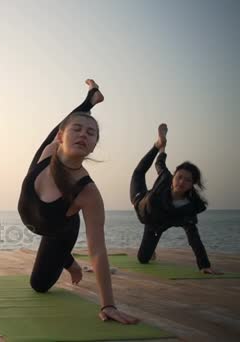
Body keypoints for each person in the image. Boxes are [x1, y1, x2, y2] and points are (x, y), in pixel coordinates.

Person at [18, 79, 138, 324]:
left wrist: (108, 305)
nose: (84, 134)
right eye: (77, 130)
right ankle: (92, 99)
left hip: (58, 231)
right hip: (37, 211)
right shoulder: (49, 150)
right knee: (59, 131)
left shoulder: (88, 193)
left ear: (93, 146)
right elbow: (62, 126)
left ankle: (68, 260)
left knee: (39, 286)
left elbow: (98, 251)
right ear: (62, 137)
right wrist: (88, 103)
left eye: (91, 133)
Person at [130, 123, 221, 274]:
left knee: (143, 259)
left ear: (192, 185)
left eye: (187, 180)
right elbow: (159, 163)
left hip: (154, 225)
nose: (181, 182)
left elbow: (194, 238)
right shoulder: (165, 177)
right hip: (140, 199)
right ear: (173, 177)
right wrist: (161, 149)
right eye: (179, 177)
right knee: (138, 172)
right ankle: (157, 144)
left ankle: (150, 251)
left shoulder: (188, 208)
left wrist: (204, 265)